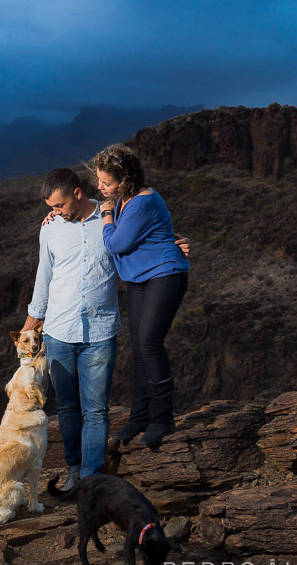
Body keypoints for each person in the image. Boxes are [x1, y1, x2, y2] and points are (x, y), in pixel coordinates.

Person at [21, 167, 119, 487]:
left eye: (59, 206)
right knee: (66, 407)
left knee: (96, 410)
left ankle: (91, 481)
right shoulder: (50, 229)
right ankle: (74, 470)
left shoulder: (111, 218)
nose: (55, 213)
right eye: (50, 208)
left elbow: (142, 242)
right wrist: (29, 327)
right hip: (59, 331)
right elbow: (44, 279)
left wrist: (176, 244)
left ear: (77, 194)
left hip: (100, 332)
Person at [94, 145, 189, 447]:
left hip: (165, 273)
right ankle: (139, 417)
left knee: (149, 342)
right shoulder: (125, 198)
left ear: (124, 180)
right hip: (139, 277)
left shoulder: (141, 202)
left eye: (105, 183)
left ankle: (162, 419)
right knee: (137, 347)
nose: (100, 187)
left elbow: (116, 244)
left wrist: (107, 216)